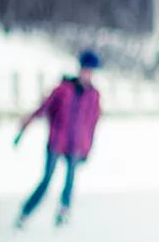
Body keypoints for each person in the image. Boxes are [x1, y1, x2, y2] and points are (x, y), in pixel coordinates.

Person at [13, 50, 105, 229]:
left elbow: (92, 123)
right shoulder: (64, 90)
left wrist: (88, 147)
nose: (87, 74)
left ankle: (63, 211)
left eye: (91, 71)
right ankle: (25, 212)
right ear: (80, 70)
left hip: (76, 145)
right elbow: (44, 108)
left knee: (70, 180)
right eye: (85, 70)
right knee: (47, 179)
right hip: (57, 141)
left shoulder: (94, 96)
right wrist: (28, 121)